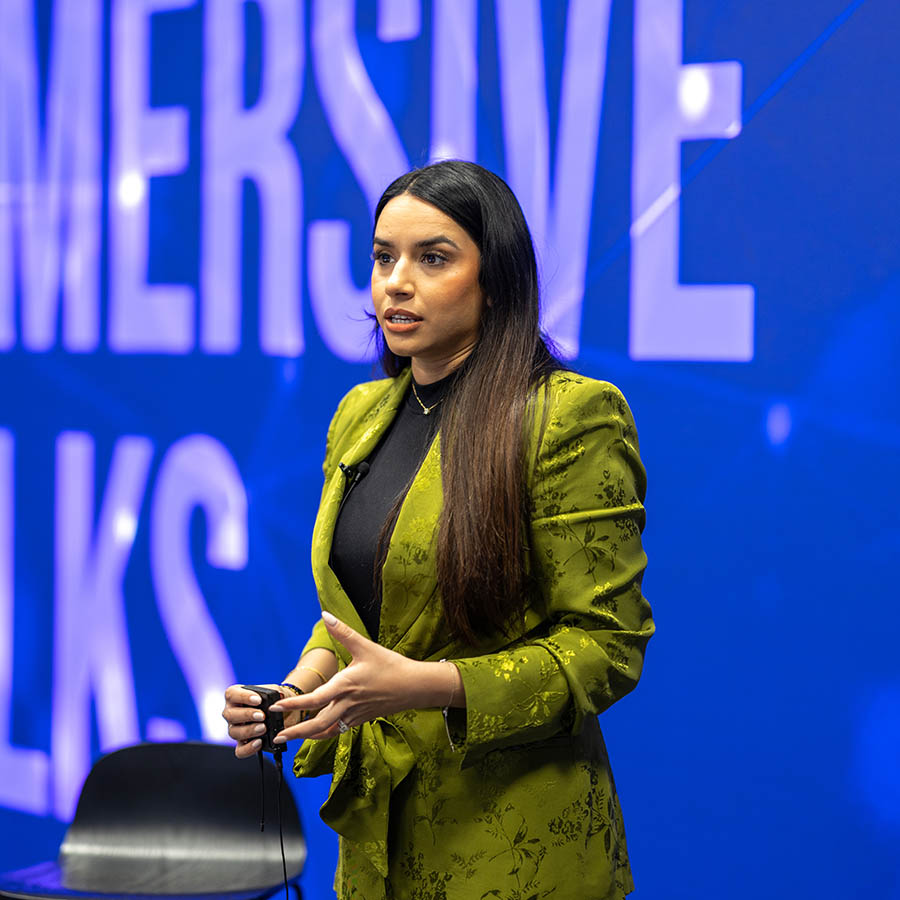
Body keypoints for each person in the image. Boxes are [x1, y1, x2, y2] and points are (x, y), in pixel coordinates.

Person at [222, 160, 654, 900]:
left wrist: (423, 688)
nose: (396, 281)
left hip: (517, 844)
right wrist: (297, 694)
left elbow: (606, 647)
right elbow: (355, 619)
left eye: (434, 257)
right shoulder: (361, 414)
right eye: (383, 257)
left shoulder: (570, 417)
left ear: (496, 279)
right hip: (377, 847)